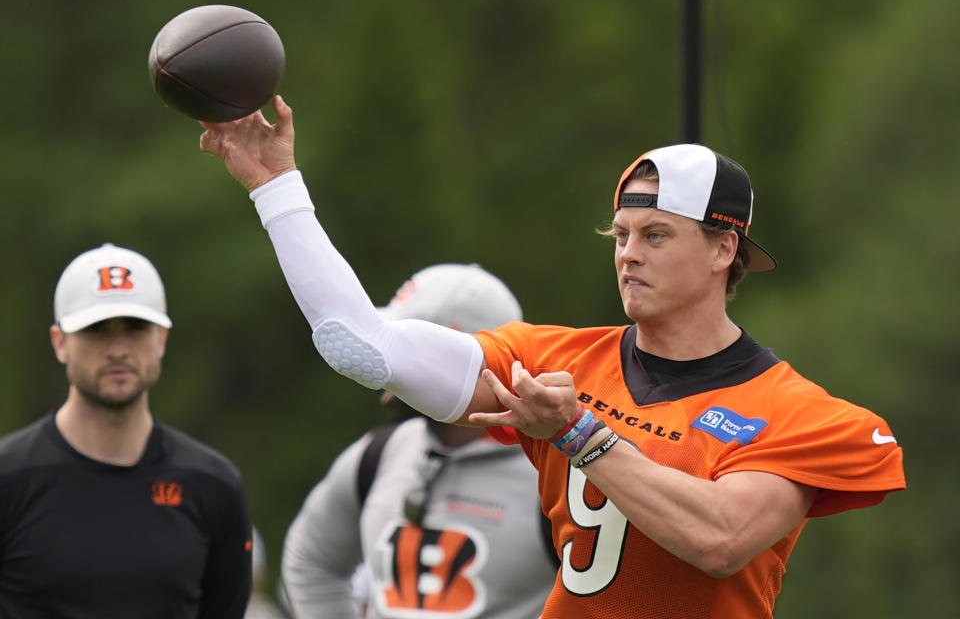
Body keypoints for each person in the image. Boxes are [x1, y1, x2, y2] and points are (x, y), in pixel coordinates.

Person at [200, 97, 906, 619]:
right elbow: (361, 344)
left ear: (725, 250)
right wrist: (275, 187)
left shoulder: (803, 414)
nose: (628, 253)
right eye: (621, 234)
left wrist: (579, 436)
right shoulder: (553, 358)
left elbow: (718, 539)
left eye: (656, 235)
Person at [281, 263, 559, 618]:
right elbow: (311, 560)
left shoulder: (555, 472)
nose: (381, 358)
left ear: (455, 358)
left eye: (401, 344)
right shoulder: (378, 454)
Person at [0, 243, 253, 618]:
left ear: (162, 340)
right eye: (97, 329)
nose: (118, 349)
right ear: (60, 343)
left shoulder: (213, 485)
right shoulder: (9, 478)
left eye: (135, 328)